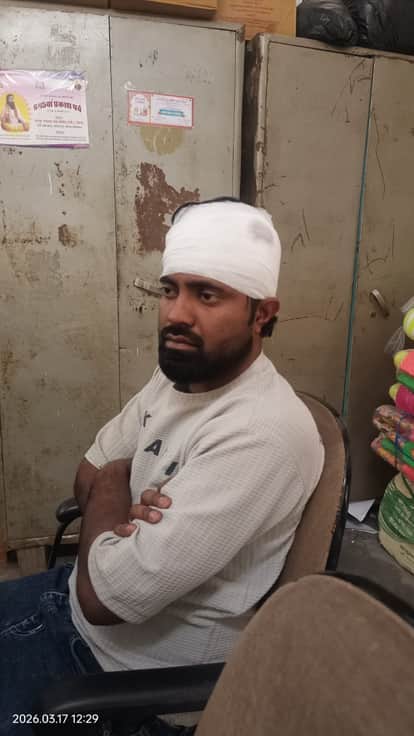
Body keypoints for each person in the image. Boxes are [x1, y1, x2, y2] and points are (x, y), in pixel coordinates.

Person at [0, 198, 324, 735]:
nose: (177, 314)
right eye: (170, 290)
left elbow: (106, 597)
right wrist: (117, 500)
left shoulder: (261, 432)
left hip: (117, 681)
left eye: (207, 294)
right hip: (69, 605)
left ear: (263, 314)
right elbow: (86, 474)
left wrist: (116, 481)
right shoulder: (179, 376)